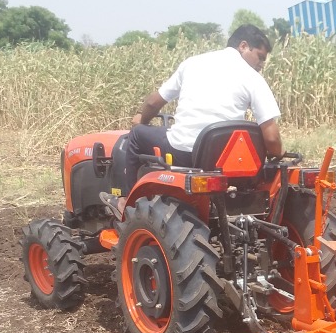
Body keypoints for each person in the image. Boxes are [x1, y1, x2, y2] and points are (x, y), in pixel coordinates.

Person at [103, 24, 283, 213]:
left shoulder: (193, 63)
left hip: (183, 153)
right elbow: (271, 137)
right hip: (226, 159)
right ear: (243, 46)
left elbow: (152, 104)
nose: (261, 64)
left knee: (137, 134)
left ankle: (127, 203)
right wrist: (278, 153)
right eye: (260, 57)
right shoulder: (252, 78)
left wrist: (142, 120)